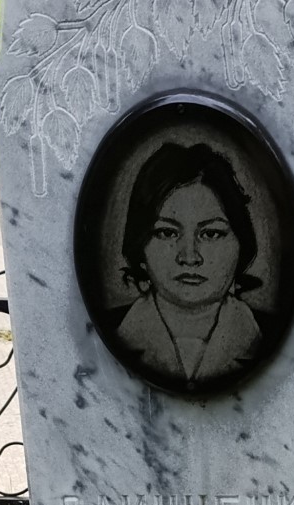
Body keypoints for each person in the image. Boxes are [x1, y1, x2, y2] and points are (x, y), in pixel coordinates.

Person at [113, 143, 267, 388]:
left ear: (241, 243)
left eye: (211, 234)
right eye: (167, 233)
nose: (189, 257)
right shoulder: (108, 332)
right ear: (139, 244)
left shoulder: (269, 336)